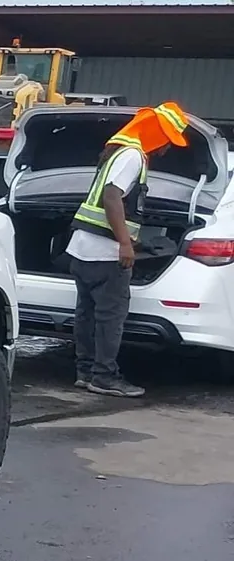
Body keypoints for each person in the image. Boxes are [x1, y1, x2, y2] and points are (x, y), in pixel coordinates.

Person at [65, 101, 191, 397]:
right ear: (156, 135)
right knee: (110, 318)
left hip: (83, 248)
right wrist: (125, 243)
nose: (166, 149)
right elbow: (112, 197)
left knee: (87, 314)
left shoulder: (117, 151)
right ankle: (104, 376)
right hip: (106, 253)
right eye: (167, 141)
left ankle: (86, 371)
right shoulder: (132, 155)